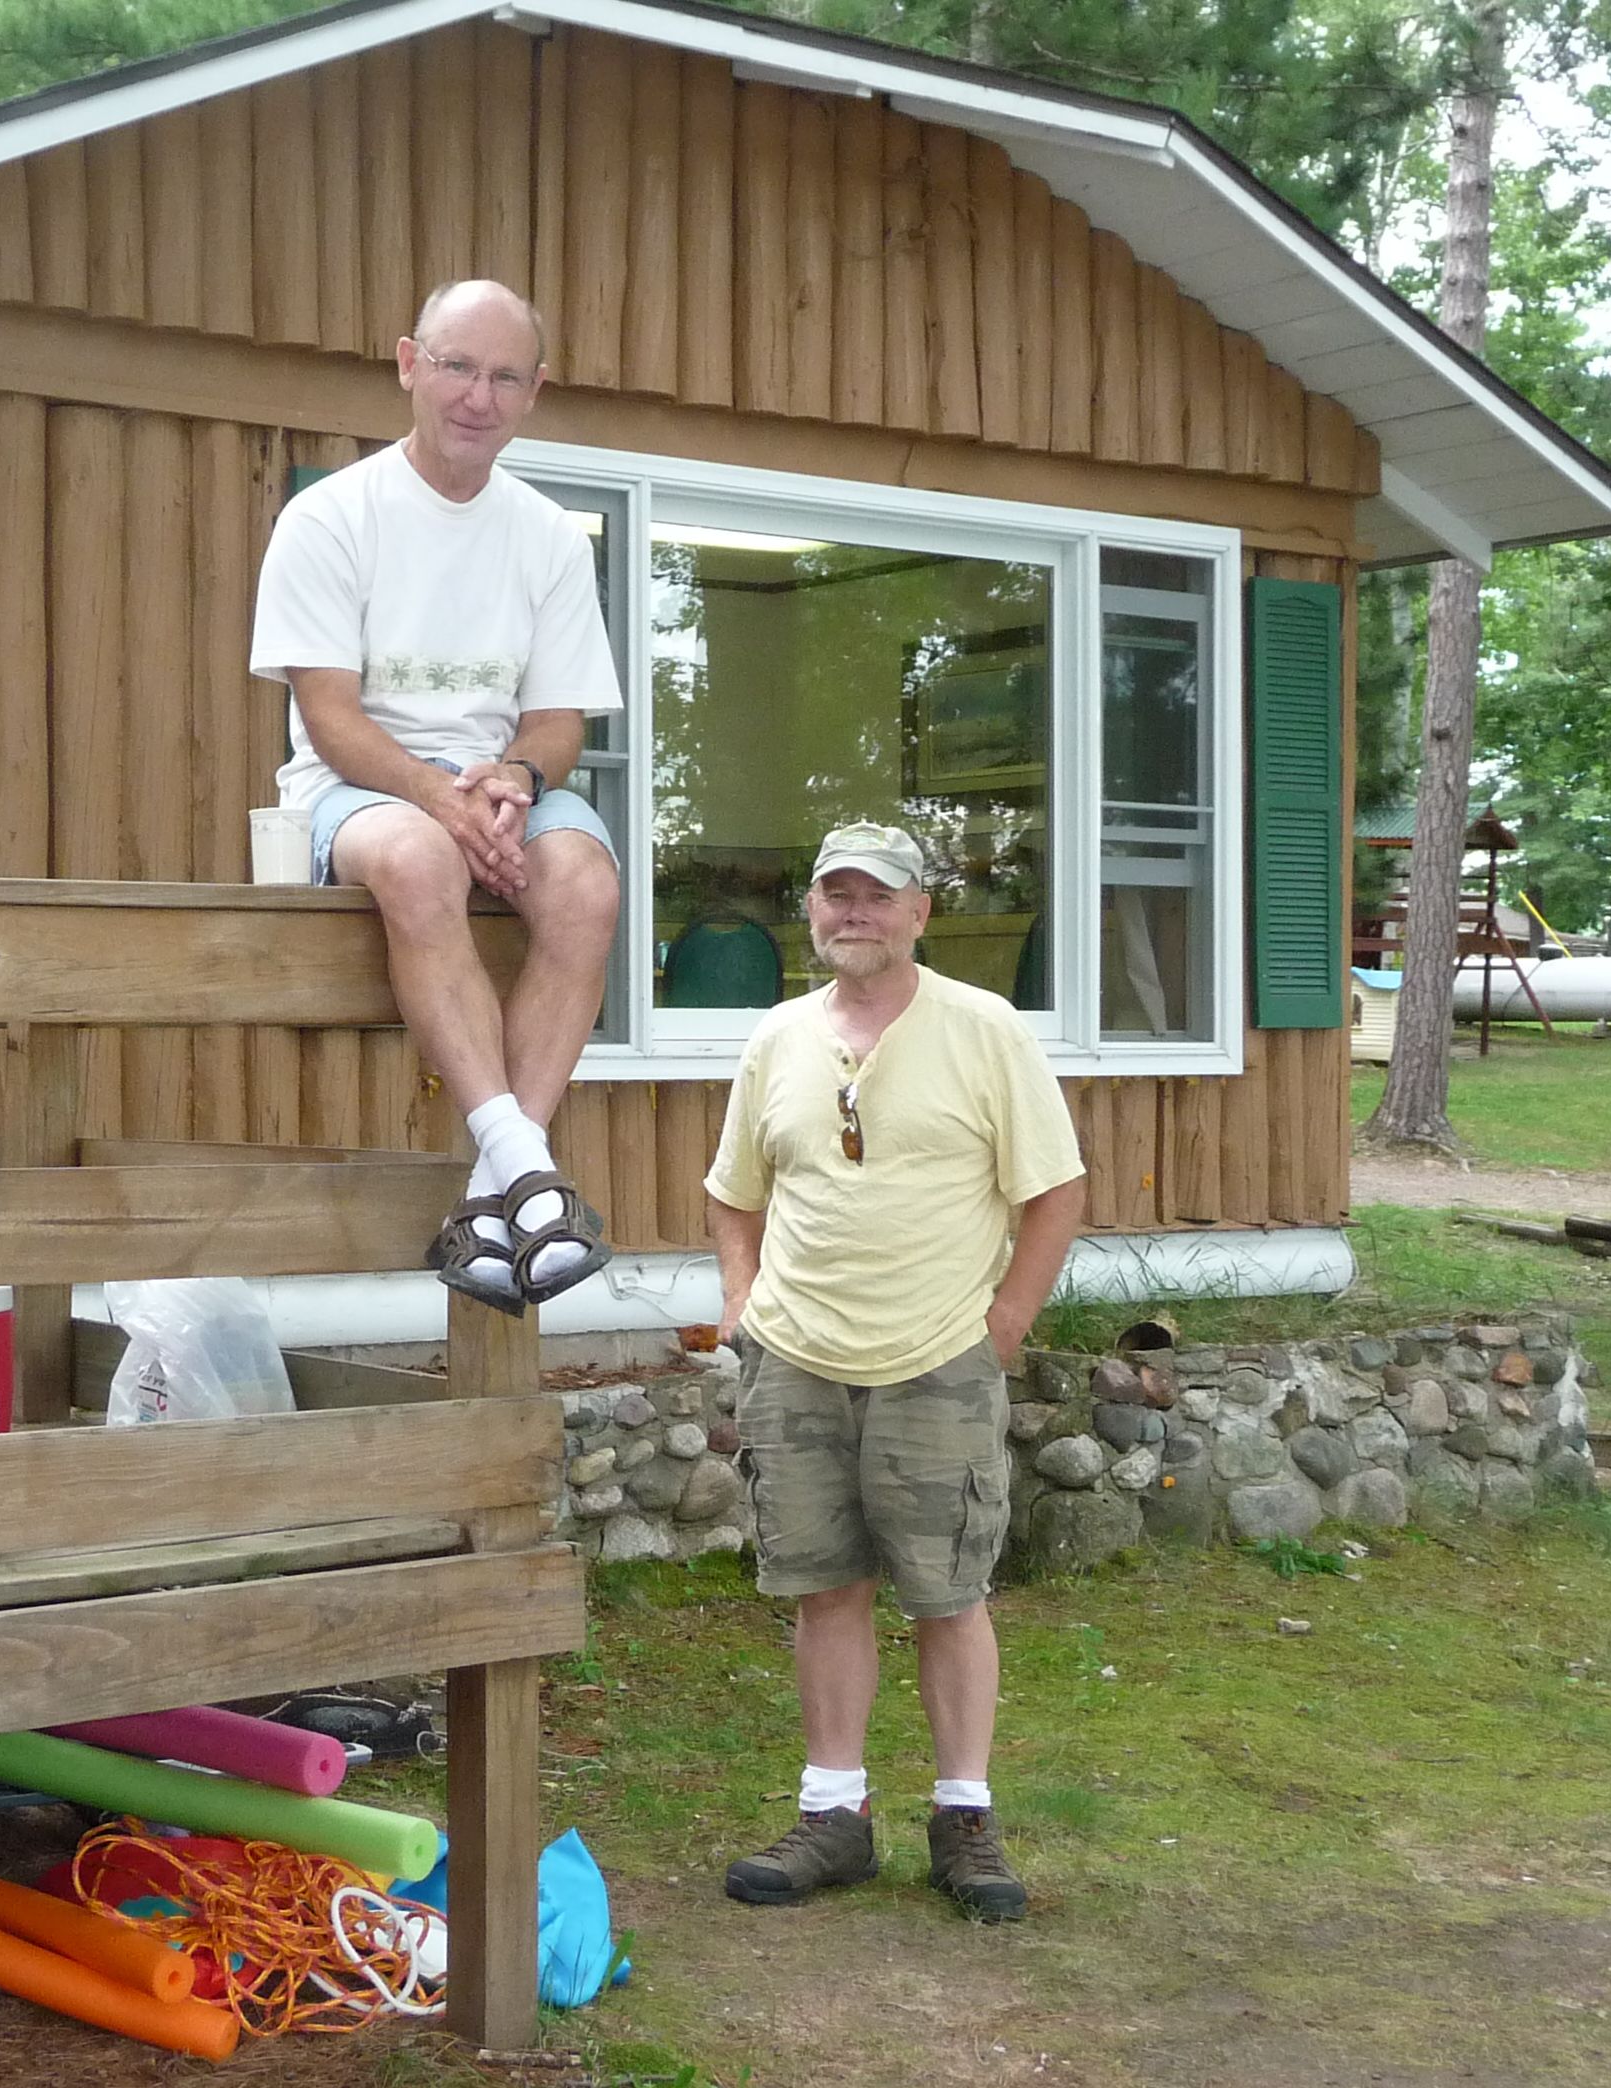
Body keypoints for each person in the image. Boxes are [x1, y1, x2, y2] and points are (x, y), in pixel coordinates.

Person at [704, 822, 1090, 1925]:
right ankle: (833, 1816)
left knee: (948, 1594)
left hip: (936, 1359)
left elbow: (1054, 1191)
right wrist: (742, 1304)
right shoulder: (776, 1039)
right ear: (812, 911)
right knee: (825, 1588)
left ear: (920, 912)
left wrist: (1003, 1326)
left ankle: (964, 1820)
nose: (854, 913)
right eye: (836, 894)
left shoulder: (985, 1030)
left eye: (878, 895)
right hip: (795, 1360)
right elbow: (732, 1192)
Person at [250, 278, 625, 1313]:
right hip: (354, 790)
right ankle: (526, 1167)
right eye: (458, 366)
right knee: (418, 858)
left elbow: (558, 722)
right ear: (409, 364)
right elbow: (329, 716)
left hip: (496, 791)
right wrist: (438, 799)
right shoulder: (329, 517)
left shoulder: (549, 535)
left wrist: (515, 780)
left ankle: (497, 1198)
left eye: (504, 377)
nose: (477, 396)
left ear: (534, 391)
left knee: (586, 884)